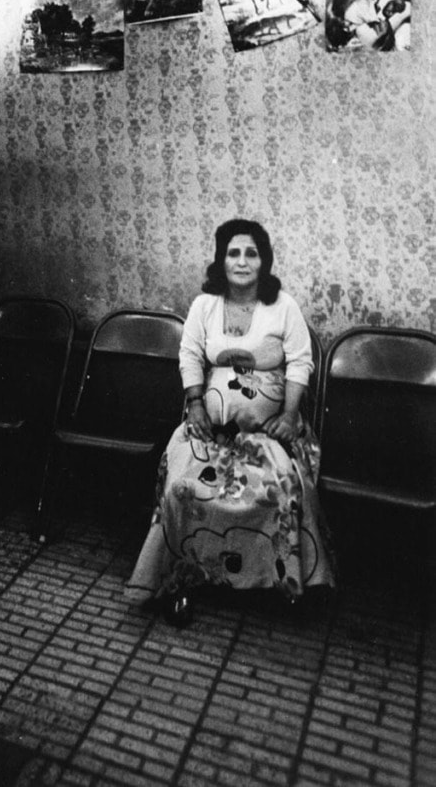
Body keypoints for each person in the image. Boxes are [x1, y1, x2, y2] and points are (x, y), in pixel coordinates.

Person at [125, 219, 335, 624]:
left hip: (270, 432)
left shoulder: (283, 306)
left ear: (264, 260)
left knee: (279, 490)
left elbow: (300, 362)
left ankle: (281, 583)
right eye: (233, 253)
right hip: (210, 427)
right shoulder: (204, 306)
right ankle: (181, 582)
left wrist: (290, 416)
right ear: (221, 260)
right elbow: (189, 355)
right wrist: (196, 406)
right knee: (182, 488)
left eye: (251, 253)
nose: (242, 262)